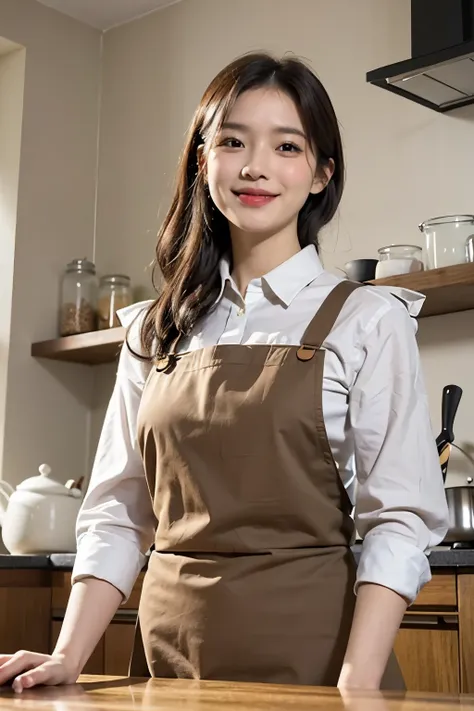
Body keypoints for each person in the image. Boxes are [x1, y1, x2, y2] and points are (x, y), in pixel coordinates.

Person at [0, 51, 448, 694]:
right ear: (203, 161)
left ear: (322, 173)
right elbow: (119, 512)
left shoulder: (368, 321)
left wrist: (357, 683)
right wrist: (68, 656)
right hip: (166, 663)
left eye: (286, 146)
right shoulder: (154, 329)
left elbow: (399, 520)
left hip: (320, 663)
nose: (255, 166)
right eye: (232, 141)